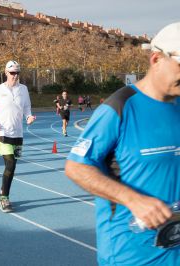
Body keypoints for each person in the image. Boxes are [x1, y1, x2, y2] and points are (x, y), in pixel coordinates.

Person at [65, 22, 180, 265]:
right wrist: (132, 199)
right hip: (131, 254)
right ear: (156, 59)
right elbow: (76, 167)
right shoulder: (119, 107)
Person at [0, 60, 36, 212]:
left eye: (17, 73)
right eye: (12, 73)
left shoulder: (23, 89)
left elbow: (27, 107)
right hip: (2, 132)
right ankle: (5, 198)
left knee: (13, 167)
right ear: (6, 73)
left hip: (18, 133)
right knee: (10, 164)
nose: (15, 76)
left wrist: (29, 117)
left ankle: (1, 193)